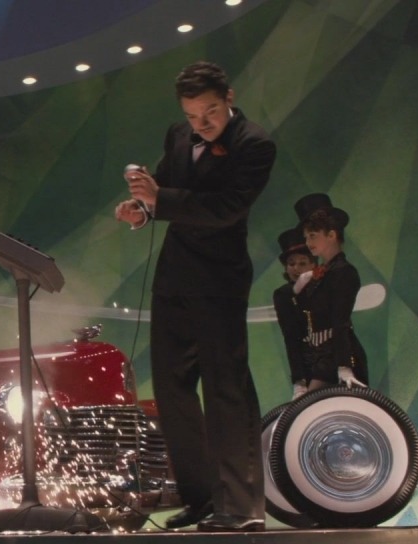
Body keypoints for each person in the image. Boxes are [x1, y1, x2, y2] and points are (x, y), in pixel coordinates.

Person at [114, 60, 275, 532]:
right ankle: (201, 497)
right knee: (171, 387)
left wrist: (160, 200)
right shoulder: (178, 136)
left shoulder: (255, 144)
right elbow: (164, 191)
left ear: (229, 97)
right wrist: (141, 210)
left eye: (210, 112)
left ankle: (241, 507)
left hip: (219, 280)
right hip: (174, 277)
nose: (200, 124)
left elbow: (226, 208)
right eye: (191, 116)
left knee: (226, 387)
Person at [293, 194, 369, 391]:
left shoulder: (344, 272)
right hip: (319, 357)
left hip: (338, 357)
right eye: (306, 237)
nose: (308, 242)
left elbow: (340, 321)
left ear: (331, 235)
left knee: (311, 405)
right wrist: (299, 288)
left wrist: (344, 366)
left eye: (312, 236)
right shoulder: (319, 274)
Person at [272, 227, 316, 401]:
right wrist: (299, 381)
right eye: (291, 264)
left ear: (313, 264)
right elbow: (290, 338)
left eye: (302, 263)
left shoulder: (324, 288)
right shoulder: (283, 295)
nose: (296, 268)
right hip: (308, 363)